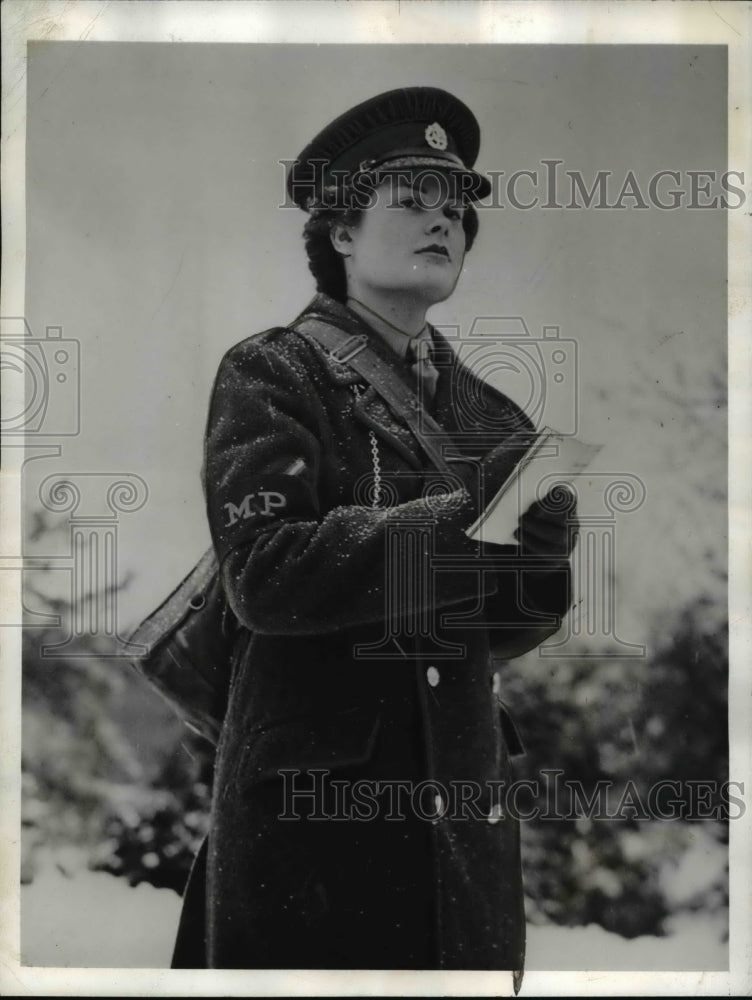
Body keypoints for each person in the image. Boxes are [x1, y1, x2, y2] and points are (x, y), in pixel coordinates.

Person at [171, 87, 577, 972]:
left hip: (463, 835)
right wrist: (462, 525)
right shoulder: (274, 369)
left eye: (456, 211)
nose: (445, 224)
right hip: (316, 829)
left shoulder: (493, 415)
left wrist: (541, 567)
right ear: (342, 234)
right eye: (412, 202)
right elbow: (265, 577)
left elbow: (503, 632)